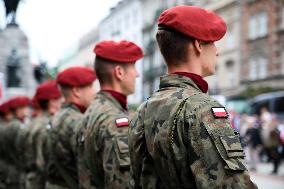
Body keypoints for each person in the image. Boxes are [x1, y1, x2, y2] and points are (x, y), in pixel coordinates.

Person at [128, 5, 257, 189]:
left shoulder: (143, 109)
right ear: (198, 45)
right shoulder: (201, 108)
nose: (217, 51)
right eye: (213, 42)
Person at [82, 40, 143, 189]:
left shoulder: (92, 110)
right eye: (133, 67)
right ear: (119, 72)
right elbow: (121, 183)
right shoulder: (115, 121)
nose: (137, 74)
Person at [46, 66, 96, 189]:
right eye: (90, 87)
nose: (94, 92)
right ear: (76, 91)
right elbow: (85, 173)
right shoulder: (78, 121)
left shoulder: (56, 117)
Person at [25, 80, 62, 189]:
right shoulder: (47, 125)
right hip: (41, 181)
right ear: (52, 102)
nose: (63, 101)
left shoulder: (33, 124)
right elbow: (42, 164)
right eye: (60, 98)